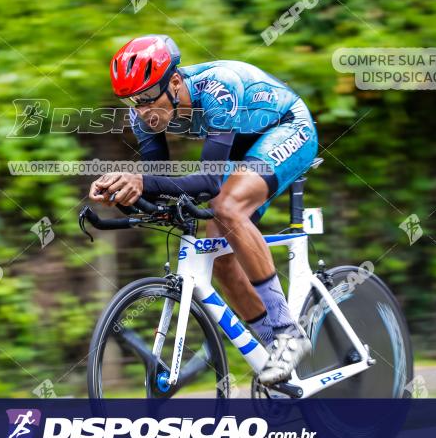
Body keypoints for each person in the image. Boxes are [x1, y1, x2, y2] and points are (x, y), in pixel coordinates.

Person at [88, 34, 318, 385]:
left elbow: (209, 183)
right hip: (243, 148)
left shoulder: (218, 90)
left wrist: (141, 181)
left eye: (149, 97)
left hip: (287, 127)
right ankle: (274, 348)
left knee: (225, 206)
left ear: (175, 82)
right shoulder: (142, 116)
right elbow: (159, 181)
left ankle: (289, 333)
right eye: (133, 101)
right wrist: (122, 194)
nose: (142, 110)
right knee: (221, 259)